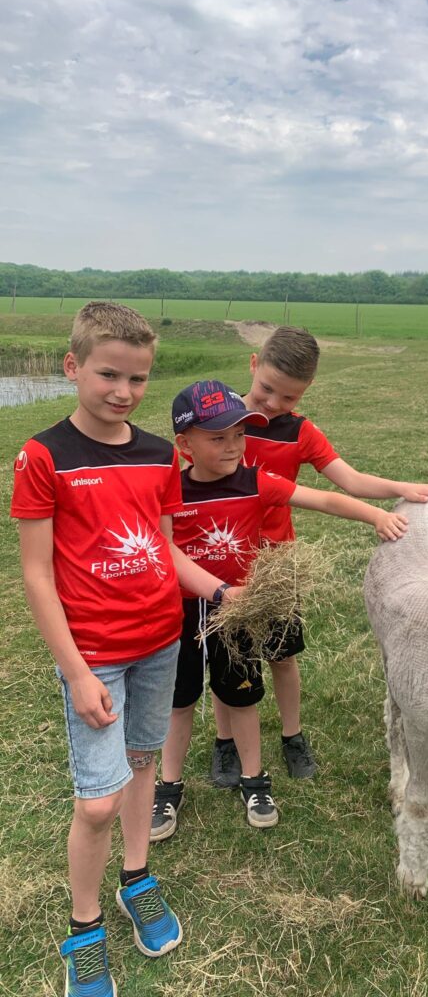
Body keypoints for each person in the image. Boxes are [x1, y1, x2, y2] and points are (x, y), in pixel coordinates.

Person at [11, 304, 246, 997]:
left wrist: (222, 591)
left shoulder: (156, 455)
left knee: (143, 764)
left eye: (137, 378)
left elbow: (166, 546)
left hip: (160, 643)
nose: (122, 390)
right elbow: (35, 573)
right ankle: (84, 931)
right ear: (72, 365)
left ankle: (136, 880)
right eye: (108, 373)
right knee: (95, 804)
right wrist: (78, 672)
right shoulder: (44, 457)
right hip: (97, 657)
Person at [152, 379, 410, 840]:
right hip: (184, 613)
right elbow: (163, 546)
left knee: (243, 696)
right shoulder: (169, 489)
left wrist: (376, 515)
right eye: (217, 438)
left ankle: (254, 779)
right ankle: (168, 788)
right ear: (184, 444)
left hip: (239, 612)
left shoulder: (256, 481)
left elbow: (324, 498)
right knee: (179, 700)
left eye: (238, 435)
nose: (233, 447)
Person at [209, 326, 428, 784]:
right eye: (266, 389)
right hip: (218, 563)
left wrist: (400, 490)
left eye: (289, 397)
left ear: (307, 391)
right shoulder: (217, 419)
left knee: (282, 656)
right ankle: (225, 743)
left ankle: (292, 735)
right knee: (228, 656)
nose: (274, 404)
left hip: (275, 566)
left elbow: (350, 480)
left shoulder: (301, 432)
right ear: (252, 364)